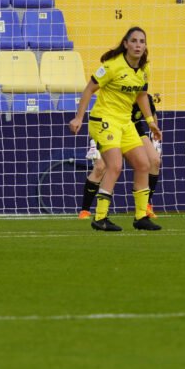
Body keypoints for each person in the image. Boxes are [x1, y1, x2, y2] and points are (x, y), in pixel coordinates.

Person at [69, 27, 162, 231]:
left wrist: (150, 121)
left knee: (143, 164)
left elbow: (141, 95)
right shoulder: (112, 66)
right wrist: (78, 117)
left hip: (125, 122)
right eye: (134, 41)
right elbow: (89, 89)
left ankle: (140, 217)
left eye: (142, 41)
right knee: (115, 166)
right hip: (104, 120)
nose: (138, 45)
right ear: (126, 44)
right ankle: (100, 217)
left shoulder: (144, 70)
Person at [78, 93, 161, 220]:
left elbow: (152, 115)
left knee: (154, 160)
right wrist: (94, 142)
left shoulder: (146, 98)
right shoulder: (117, 95)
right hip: (112, 128)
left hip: (135, 131)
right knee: (100, 167)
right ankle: (85, 210)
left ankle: (146, 205)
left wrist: (155, 138)